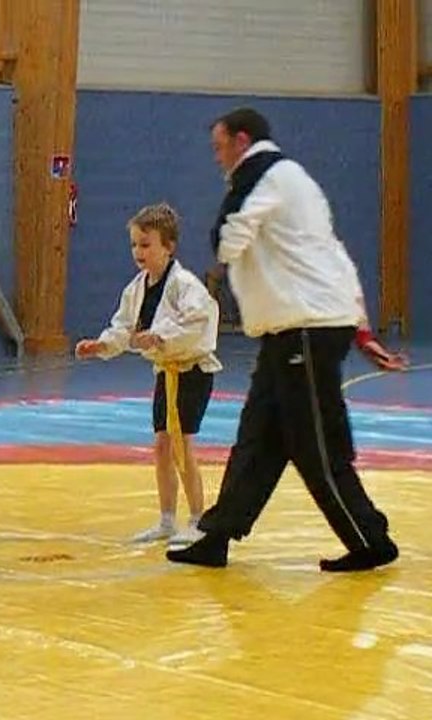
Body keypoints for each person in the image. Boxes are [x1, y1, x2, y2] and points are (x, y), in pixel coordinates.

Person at [167, 107, 400, 572]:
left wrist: (229, 248)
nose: (217, 159)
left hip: (305, 332)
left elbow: (227, 239)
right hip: (296, 332)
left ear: (241, 140)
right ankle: (217, 536)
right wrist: (360, 328)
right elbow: (334, 257)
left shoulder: (262, 173)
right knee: (259, 438)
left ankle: (369, 540)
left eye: (219, 147)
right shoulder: (296, 182)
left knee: (315, 445)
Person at [75, 202, 222, 546]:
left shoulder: (185, 285)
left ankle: (199, 519)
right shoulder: (137, 288)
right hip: (166, 372)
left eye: (146, 244)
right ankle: (167, 519)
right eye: (134, 245)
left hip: (192, 371)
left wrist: (160, 337)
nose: (138, 252)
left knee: (181, 445)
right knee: (161, 446)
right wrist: (101, 346)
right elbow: (123, 327)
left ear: (168, 246)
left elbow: (199, 321)